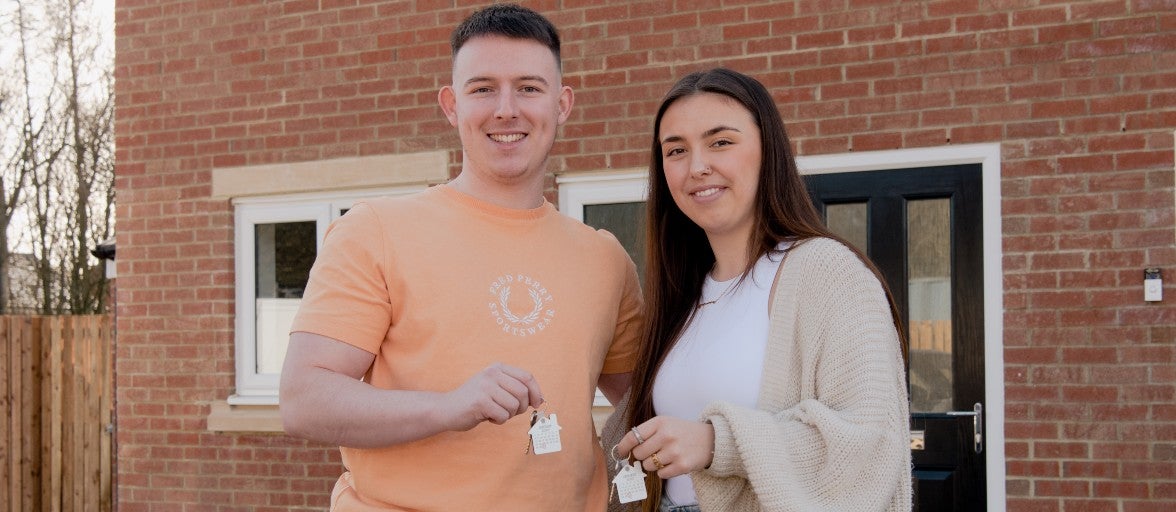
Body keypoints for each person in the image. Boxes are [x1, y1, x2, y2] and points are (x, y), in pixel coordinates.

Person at [278, 4, 643, 511]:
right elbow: (303, 399)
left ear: (562, 104)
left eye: (530, 88)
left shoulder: (604, 258)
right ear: (451, 105)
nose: (506, 109)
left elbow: (646, 398)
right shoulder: (377, 230)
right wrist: (450, 407)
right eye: (483, 88)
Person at [604, 68, 912, 511]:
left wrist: (716, 441)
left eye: (721, 142)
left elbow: (868, 443)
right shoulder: (684, 296)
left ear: (768, 151)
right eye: (676, 150)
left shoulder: (826, 272)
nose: (697, 167)